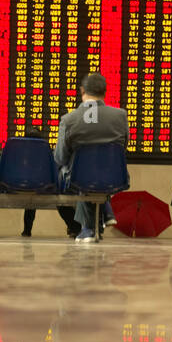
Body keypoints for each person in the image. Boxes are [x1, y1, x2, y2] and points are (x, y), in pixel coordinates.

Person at [54, 72, 129, 243]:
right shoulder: (120, 116)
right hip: (114, 175)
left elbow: (60, 157)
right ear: (105, 92)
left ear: (82, 90)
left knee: (79, 173)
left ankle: (87, 228)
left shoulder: (69, 119)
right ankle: (105, 210)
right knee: (93, 172)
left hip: (79, 178)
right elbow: (122, 148)